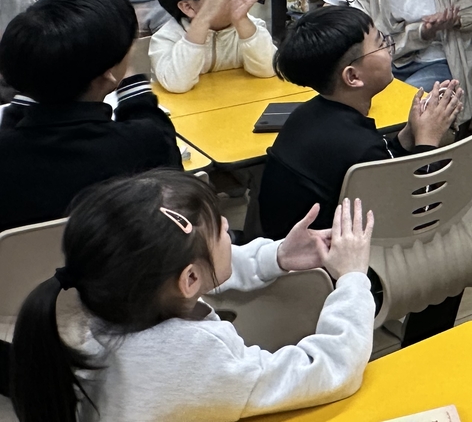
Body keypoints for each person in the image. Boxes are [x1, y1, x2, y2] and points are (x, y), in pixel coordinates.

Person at [9, 169, 376, 422]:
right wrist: (352, 279)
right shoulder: (197, 358)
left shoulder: (106, 304)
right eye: (222, 232)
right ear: (189, 279)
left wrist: (276, 255)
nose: (229, 228)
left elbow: (198, 272)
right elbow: (330, 370)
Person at [257, 5, 465, 345]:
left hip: (286, 252)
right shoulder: (357, 145)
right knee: (451, 260)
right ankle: (424, 349)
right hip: (321, 272)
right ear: (353, 77)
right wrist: (429, 139)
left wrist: (408, 136)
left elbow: (379, 168)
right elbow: (414, 213)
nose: (389, 46)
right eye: (380, 43)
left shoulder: (311, 115)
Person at [0, 0, 181, 233]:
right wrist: (133, 85)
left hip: (26, 259)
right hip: (122, 255)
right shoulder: (140, 143)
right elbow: (164, 146)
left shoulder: (8, 149)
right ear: (109, 74)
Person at [149, 0, 273, 92]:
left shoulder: (251, 26)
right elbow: (177, 85)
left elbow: (269, 69)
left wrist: (241, 19)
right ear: (188, 7)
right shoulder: (166, 38)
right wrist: (203, 20)